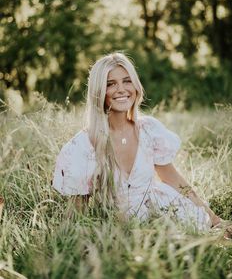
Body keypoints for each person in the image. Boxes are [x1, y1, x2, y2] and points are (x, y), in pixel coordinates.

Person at [52, 52, 222, 232]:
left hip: (164, 211)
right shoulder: (83, 146)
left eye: (127, 81)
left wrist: (215, 219)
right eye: (110, 84)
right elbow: (77, 215)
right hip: (117, 229)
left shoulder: (149, 130)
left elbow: (175, 180)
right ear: (98, 92)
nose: (121, 89)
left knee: (211, 238)